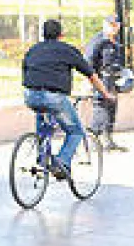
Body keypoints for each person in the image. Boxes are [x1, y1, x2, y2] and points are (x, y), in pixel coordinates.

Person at [23, 19, 113, 178]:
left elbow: (27, 70)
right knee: (76, 131)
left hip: (30, 95)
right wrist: (105, 94)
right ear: (61, 34)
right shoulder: (67, 50)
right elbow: (91, 75)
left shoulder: (33, 50)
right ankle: (61, 162)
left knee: (44, 123)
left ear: (43, 34)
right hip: (54, 97)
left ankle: (42, 159)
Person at [85, 15, 126, 152]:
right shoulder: (98, 40)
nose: (114, 28)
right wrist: (91, 80)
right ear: (105, 24)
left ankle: (108, 141)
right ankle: (92, 143)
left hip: (113, 82)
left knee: (111, 111)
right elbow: (88, 61)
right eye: (111, 24)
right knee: (100, 110)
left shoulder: (115, 42)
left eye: (116, 25)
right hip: (100, 81)